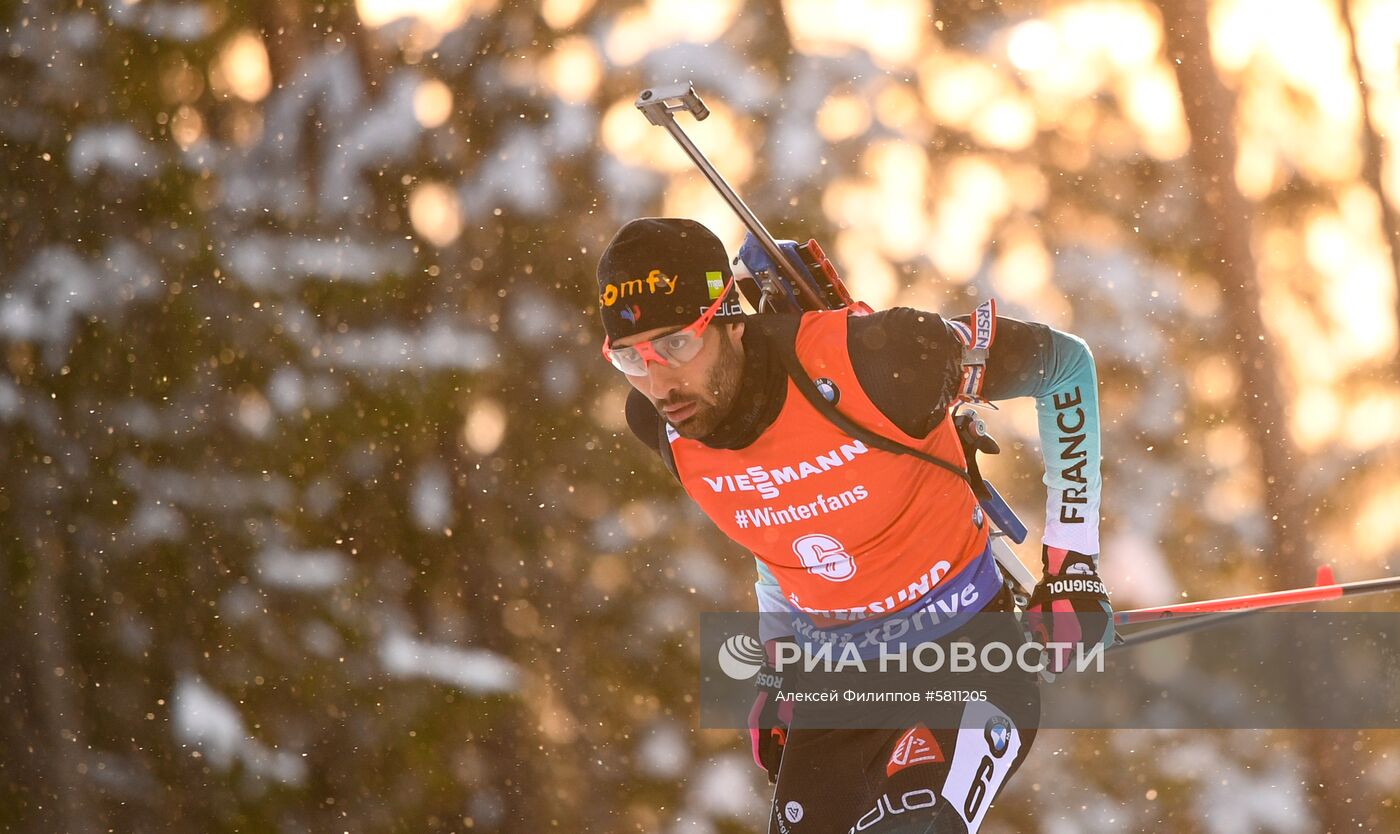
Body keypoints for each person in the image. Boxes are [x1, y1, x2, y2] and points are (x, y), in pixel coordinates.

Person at [596, 217, 1112, 833]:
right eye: (630, 357)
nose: (658, 381)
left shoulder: (881, 361)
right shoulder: (665, 427)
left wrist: (1073, 566)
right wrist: (779, 665)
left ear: (730, 318)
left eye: (677, 344)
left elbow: (1065, 368)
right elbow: (774, 530)